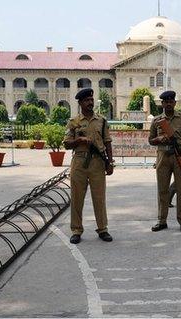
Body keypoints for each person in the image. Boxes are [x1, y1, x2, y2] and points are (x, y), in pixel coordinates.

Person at [63, 88, 114, 244]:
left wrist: (110, 162)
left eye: (91, 100)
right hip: (79, 162)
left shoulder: (102, 120)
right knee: (77, 198)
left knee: (99, 198)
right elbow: (66, 143)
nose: (90, 103)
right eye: (86, 100)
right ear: (80, 103)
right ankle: (76, 230)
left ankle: (102, 229)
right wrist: (79, 141)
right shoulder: (74, 122)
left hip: (97, 163)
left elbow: (107, 142)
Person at [149, 90, 181, 233]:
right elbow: (150, 140)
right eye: (165, 102)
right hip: (163, 155)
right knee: (162, 190)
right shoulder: (156, 120)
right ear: (162, 104)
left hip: (178, 155)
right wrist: (159, 139)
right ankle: (161, 221)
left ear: (174, 103)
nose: (168, 104)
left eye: (171, 101)